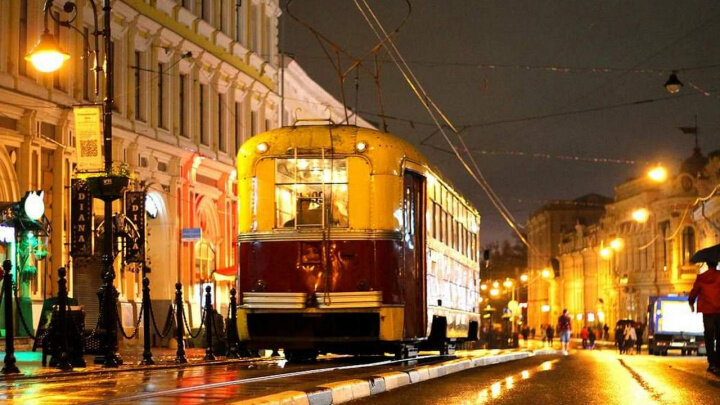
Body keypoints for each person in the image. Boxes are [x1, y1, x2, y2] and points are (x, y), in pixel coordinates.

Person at [689, 261, 720, 376]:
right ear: (716, 264)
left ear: (707, 264)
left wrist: (691, 302)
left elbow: (694, 293)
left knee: (709, 338)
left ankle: (712, 363)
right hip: (719, 312)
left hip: (707, 312)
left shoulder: (701, 278)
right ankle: (718, 362)